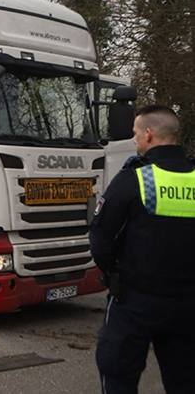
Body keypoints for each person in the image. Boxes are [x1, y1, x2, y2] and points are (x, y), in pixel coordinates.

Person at [89, 105, 195, 394]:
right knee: (186, 380)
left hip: (136, 300)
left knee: (118, 373)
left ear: (148, 135)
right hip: (188, 304)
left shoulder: (135, 179)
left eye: (136, 134)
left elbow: (100, 239)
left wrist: (114, 274)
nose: (134, 140)